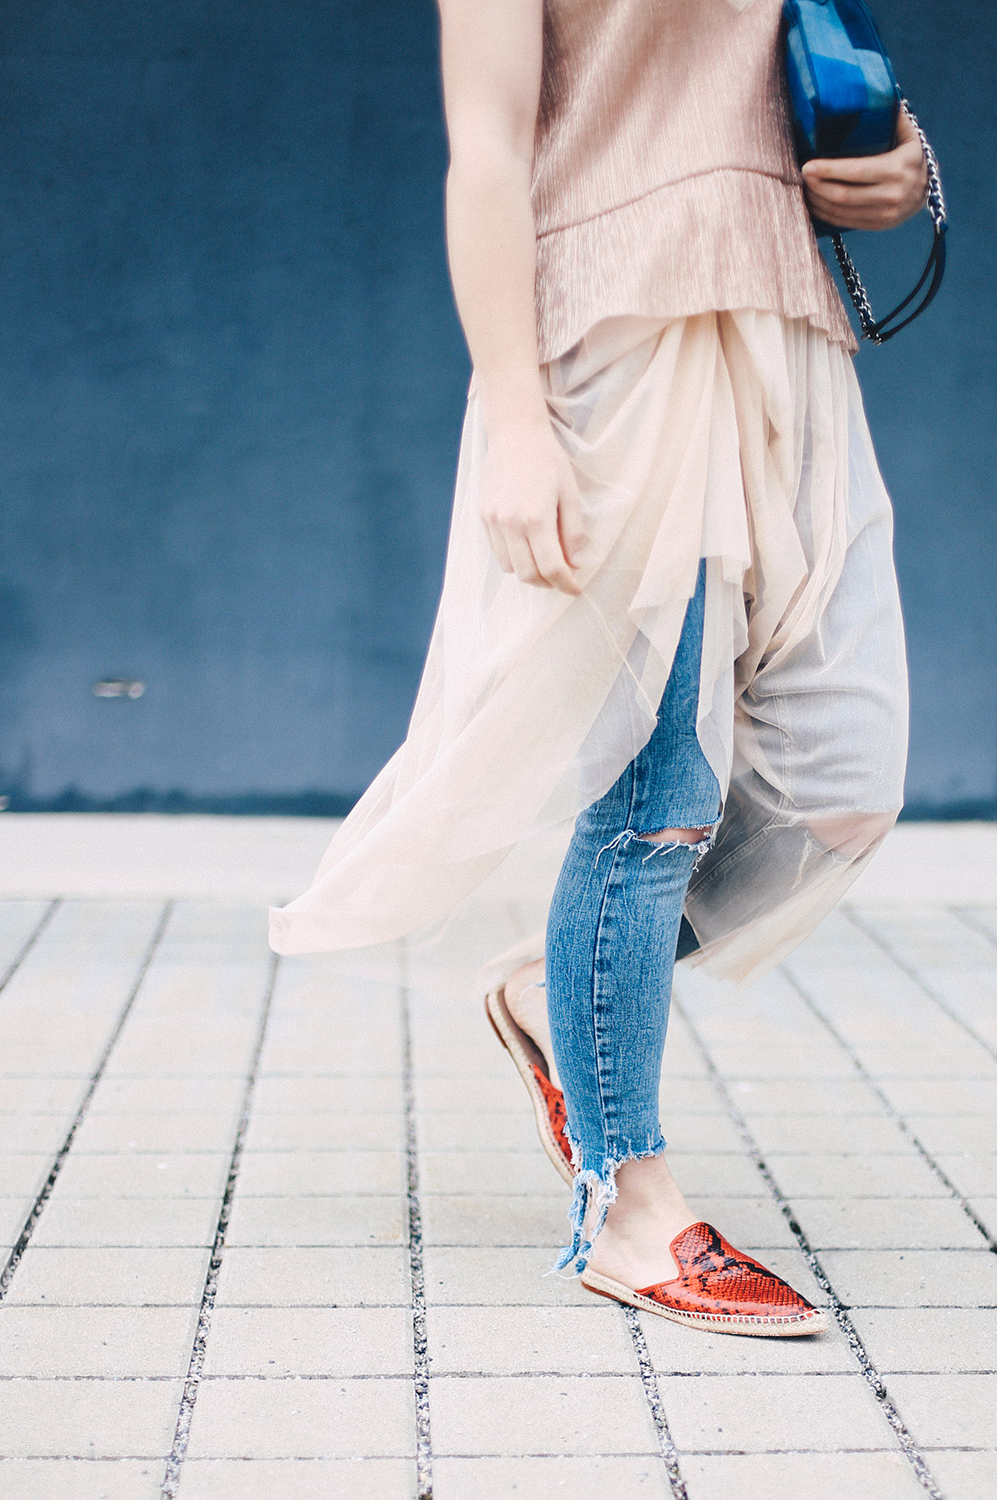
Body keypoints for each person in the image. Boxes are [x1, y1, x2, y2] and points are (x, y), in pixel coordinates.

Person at [271, 0, 928, 1335]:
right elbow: (491, 152)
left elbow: (785, 73)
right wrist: (516, 414)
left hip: (782, 321)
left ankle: (546, 989)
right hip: (618, 337)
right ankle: (627, 1206)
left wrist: (898, 158)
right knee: (655, 793)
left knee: (843, 776)